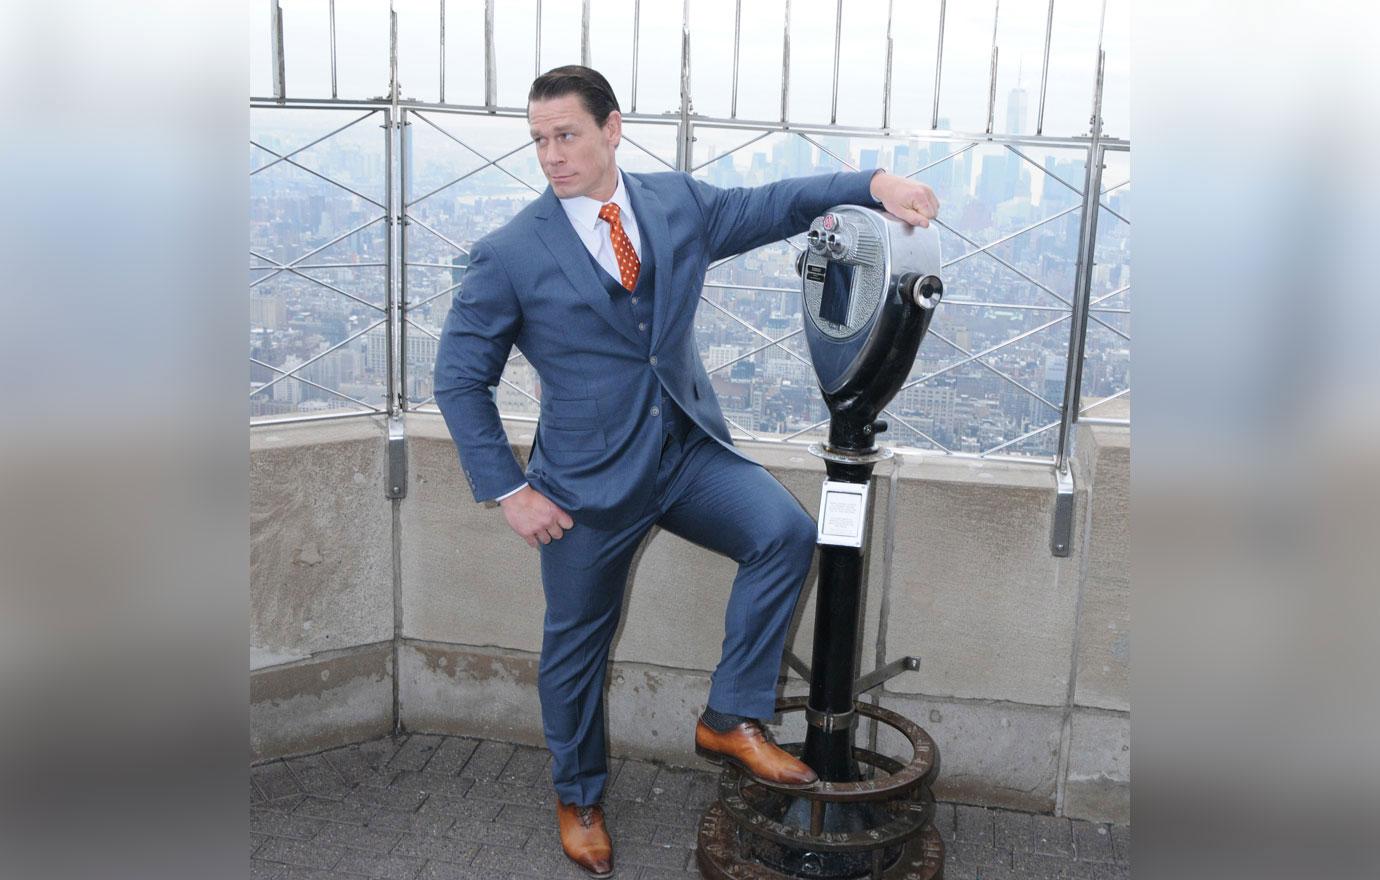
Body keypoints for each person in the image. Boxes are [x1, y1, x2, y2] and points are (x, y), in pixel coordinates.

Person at [434, 65, 939, 878]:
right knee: (575, 653)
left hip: (685, 450)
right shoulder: (509, 253)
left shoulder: (674, 206)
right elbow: (459, 378)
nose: (551, 156)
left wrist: (873, 181)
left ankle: (730, 715)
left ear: (611, 128)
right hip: (584, 487)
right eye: (538, 140)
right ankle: (578, 796)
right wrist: (510, 489)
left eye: (566, 135)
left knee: (783, 533)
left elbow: (772, 204)